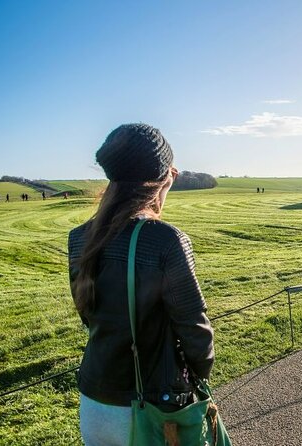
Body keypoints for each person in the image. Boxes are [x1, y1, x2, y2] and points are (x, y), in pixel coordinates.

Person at [68, 123, 214, 445]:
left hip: (94, 402)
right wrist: (198, 378)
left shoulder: (79, 237)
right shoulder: (166, 240)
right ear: (164, 176)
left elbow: (88, 315)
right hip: (149, 409)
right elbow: (195, 330)